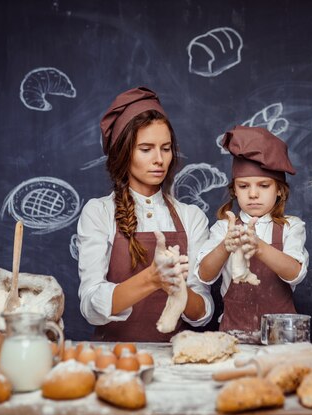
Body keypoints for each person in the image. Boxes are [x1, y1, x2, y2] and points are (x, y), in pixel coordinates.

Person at [77, 87, 213, 342]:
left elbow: (202, 312)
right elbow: (90, 307)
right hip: (114, 359)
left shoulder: (191, 217)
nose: (159, 159)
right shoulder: (99, 213)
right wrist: (152, 279)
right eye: (146, 148)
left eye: (166, 148)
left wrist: (178, 290)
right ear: (124, 152)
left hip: (174, 359)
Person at [195, 126, 308, 342]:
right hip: (233, 335)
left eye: (264, 185)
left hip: (281, 337)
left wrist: (259, 247)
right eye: (244, 186)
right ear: (234, 191)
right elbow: (204, 275)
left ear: (279, 190)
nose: (253, 194)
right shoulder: (223, 228)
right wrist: (224, 247)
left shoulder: (291, 226)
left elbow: (295, 273)